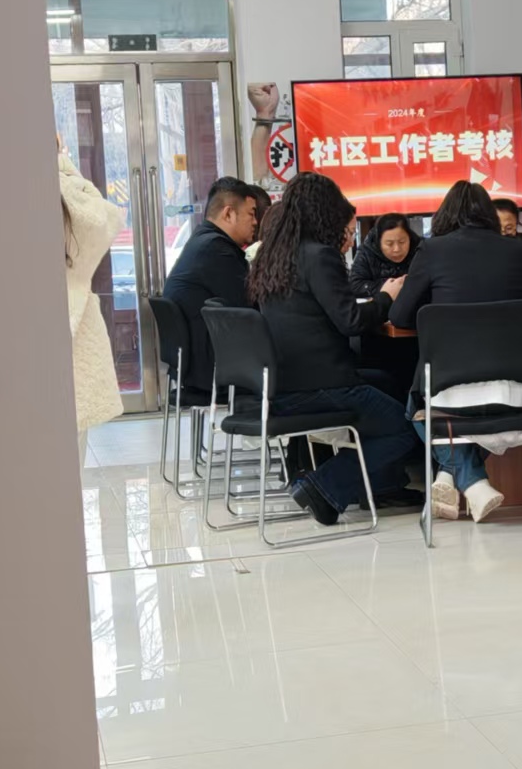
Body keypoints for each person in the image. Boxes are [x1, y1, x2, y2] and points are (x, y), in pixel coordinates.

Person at [246, 172, 422, 526]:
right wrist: (386, 297)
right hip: (321, 385)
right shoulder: (319, 255)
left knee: (387, 383)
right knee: (407, 427)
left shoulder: (273, 256)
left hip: (284, 382)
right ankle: (324, 485)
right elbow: (351, 321)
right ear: (325, 212)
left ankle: (375, 486)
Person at [395, 182, 522, 523]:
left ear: (444, 215)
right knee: (439, 409)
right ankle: (469, 480)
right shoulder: (520, 251)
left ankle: (458, 478)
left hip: (448, 394)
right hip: (520, 392)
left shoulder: (431, 250)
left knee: (415, 410)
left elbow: (400, 316)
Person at [59, 143, 125, 470]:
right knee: (71, 449)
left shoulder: (61, 197)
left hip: (58, 324)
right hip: (71, 321)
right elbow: (102, 215)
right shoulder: (74, 195)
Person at [162, 177, 262, 395]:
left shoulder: (202, 241)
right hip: (214, 370)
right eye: (251, 213)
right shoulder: (217, 249)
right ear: (228, 214)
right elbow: (251, 308)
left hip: (193, 366)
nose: (256, 222)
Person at [349, 213, 421, 297]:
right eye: (389, 244)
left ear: (409, 238)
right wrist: (389, 287)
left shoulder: (421, 249)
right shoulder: (366, 252)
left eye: (402, 242)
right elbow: (355, 285)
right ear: (379, 242)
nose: (397, 249)